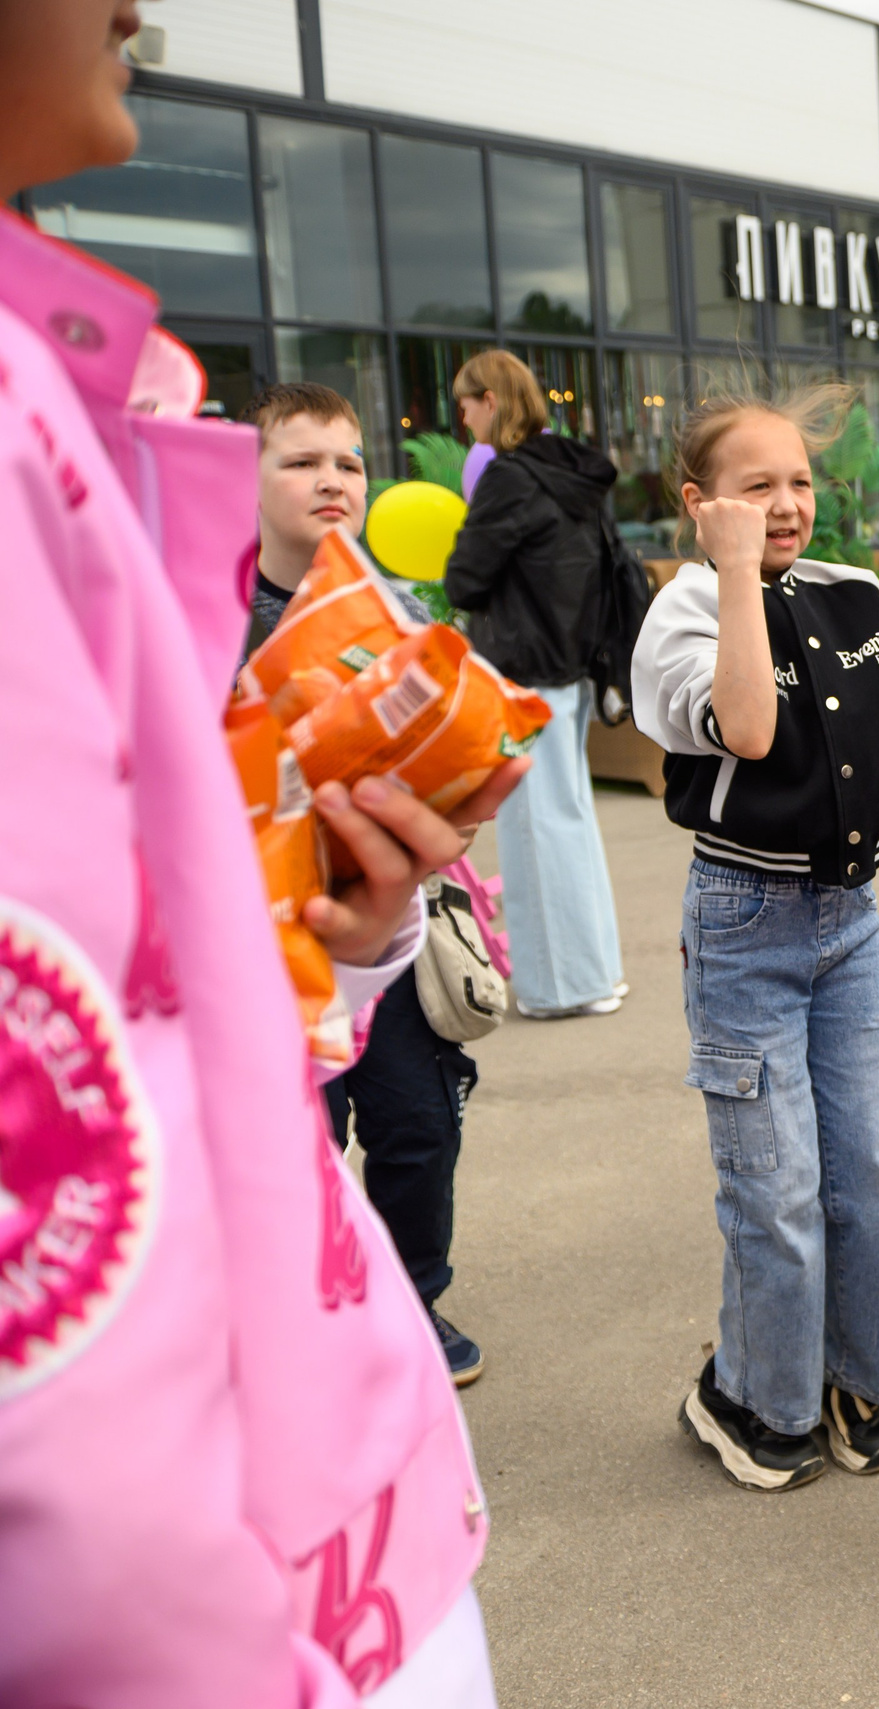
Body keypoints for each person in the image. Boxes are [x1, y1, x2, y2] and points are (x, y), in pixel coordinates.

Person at [0, 3, 529, 1695]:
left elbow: (146, 995)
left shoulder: (59, 378)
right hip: (249, 1588)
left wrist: (343, 923)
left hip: (315, 1498)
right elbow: (65, 1167)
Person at [632, 389, 879, 1491]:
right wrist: (733, 571)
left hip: (847, 920)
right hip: (742, 921)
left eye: (800, 483)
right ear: (699, 503)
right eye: (756, 484)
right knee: (772, 1183)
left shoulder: (850, 593)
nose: (786, 505)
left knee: (872, 1172)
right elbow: (748, 727)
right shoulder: (684, 607)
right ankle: (750, 1393)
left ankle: (855, 1376)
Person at [250, 380, 490, 1385]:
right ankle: (300, 1321)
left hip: (390, 926)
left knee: (418, 1127)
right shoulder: (203, 611)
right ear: (251, 480)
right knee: (295, 1146)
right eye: (302, 460)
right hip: (264, 944)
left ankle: (410, 1298)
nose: (332, 478)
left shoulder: (396, 609)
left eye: (347, 460)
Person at [443, 348, 627, 1019]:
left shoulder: (510, 478)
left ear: (492, 400)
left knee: (532, 829)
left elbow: (465, 577)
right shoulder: (573, 471)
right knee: (568, 820)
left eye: (465, 400)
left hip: (519, 672)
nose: (460, 415)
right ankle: (598, 970)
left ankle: (562, 988)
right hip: (574, 667)